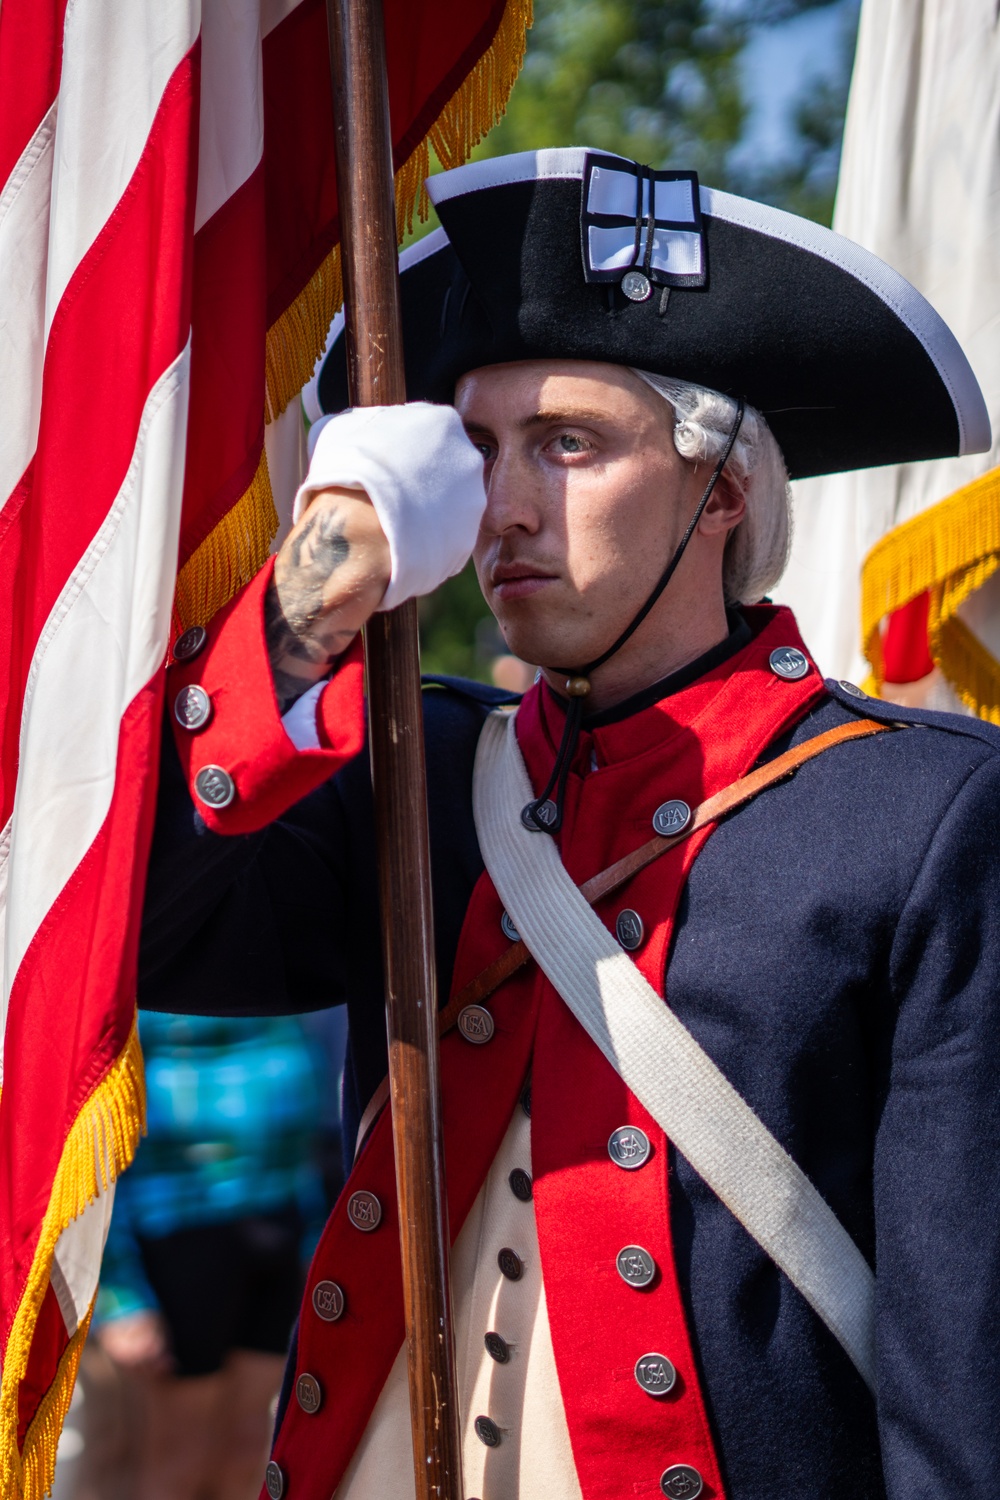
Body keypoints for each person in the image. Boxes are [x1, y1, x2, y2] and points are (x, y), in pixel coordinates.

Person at [139, 148, 1000, 1500]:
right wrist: (306, 610)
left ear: (721, 492)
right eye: (476, 450)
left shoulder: (925, 809)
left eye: (570, 445)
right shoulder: (415, 770)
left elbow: (967, 1385)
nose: (507, 505)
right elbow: (147, 933)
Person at [89, 1011, 328, 1500]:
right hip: (174, 1226)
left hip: (278, 1213)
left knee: (252, 1448)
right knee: (180, 1455)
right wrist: (119, 1295)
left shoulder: (285, 952)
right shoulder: (139, 963)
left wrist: (315, 1240)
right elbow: (87, 1152)